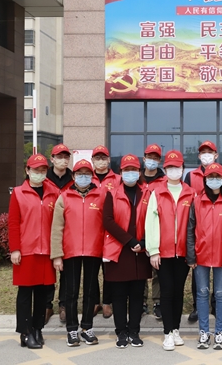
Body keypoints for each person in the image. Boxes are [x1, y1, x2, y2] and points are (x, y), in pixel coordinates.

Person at [50, 159, 106, 347]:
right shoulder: (64, 197)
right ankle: (72, 329)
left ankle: (87, 327)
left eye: (87, 174)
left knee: (90, 292)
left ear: (92, 176)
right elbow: (57, 228)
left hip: (94, 250)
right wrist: (57, 255)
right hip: (70, 252)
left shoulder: (101, 196)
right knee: (71, 292)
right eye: (80, 174)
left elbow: (107, 224)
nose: (83, 177)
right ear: (73, 176)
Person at [145, 150, 195, 351]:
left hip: (183, 252)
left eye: (178, 167)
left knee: (178, 292)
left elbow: (195, 224)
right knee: (166, 292)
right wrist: (153, 250)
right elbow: (150, 222)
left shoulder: (190, 193)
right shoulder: (157, 192)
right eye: (170, 167)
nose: (174, 170)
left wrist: (193, 251)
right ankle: (167, 333)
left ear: (183, 169)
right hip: (163, 252)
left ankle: (175, 329)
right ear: (165, 170)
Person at [8, 154, 59, 349]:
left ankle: (38, 328)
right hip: (26, 251)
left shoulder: (53, 193)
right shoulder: (18, 193)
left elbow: (58, 223)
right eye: (36, 170)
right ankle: (25, 331)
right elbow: (13, 223)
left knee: (42, 293)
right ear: (27, 170)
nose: (40, 173)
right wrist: (15, 249)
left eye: (43, 170)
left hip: (46, 251)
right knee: (25, 293)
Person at [183, 140, 222, 323]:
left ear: (216, 154)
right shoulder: (191, 176)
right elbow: (189, 214)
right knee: (200, 285)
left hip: (220, 235)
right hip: (202, 240)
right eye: (203, 152)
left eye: (210, 152)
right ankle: (198, 309)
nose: (206, 155)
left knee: (220, 290)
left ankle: (215, 309)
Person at [102, 154, 152, 348]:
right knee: (119, 295)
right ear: (121, 172)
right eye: (126, 170)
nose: (130, 173)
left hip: (140, 250)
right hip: (119, 250)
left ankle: (134, 331)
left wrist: (143, 242)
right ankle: (121, 332)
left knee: (137, 295)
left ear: (139, 172)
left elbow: (153, 219)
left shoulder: (147, 194)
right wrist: (129, 240)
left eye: (134, 170)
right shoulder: (112, 194)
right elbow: (108, 221)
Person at [45, 143, 74, 325]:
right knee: (48, 269)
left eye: (66, 157)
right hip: (46, 228)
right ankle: (47, 304)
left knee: (66, 269)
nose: (63, 160)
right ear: (52, 159)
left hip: (69, 230)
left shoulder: (73, 179)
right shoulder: (44, 178)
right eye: (59, 157)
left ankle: (64, 304)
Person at [91, 145, 121, 319]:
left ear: (109, 160)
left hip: (111, 230)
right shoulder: (87, 178)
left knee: (109, 269)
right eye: (97, 158)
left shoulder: (117, 179)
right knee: (92, 268)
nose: (101, 161)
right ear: (92, 160)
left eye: (103, 158)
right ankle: (94, 301)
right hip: (92, 230)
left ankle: (108, 301)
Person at [141, 143, 164, 318]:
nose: (152, 160)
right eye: (150, 157)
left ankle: (157, 302)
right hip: (138, 229)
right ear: (144, 158)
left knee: (157, 269)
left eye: (155, 158)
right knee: (141, 268)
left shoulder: (164, 181)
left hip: (157, 229)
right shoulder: (136, 178)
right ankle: (141, 302)